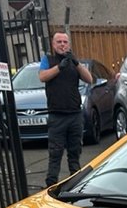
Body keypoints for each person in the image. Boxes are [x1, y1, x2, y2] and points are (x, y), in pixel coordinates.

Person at [38, 31, 92, 187]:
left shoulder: (74, 62)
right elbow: (42, 77)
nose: (62, 44)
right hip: (57, 116)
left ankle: (75, 185)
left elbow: (89, 79)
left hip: (74, 115)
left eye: (65, 42)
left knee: (75, 154)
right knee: (55, 154)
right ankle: (51, 185)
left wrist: (75, 63)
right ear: (53, 44)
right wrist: (59, 68)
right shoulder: (48, 60)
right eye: (59, 42)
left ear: (69, 44)